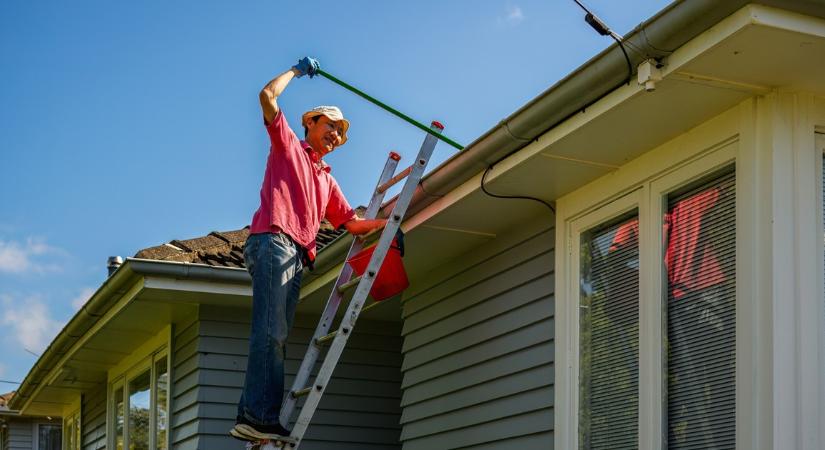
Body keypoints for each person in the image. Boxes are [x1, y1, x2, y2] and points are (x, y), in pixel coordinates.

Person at [232, 57, 385, 441]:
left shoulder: (327, 180)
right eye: (330, 126)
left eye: (340, 133)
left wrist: (393, 224)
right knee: (270, 331)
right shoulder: (288, 146)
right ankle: (257, 416)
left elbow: (352, 225)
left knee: (277, 335)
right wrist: (296, 73)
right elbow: (267, 96)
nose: (335, 135)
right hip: (273, 240)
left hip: (297, 255)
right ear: (310, 123)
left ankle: (255, 417)